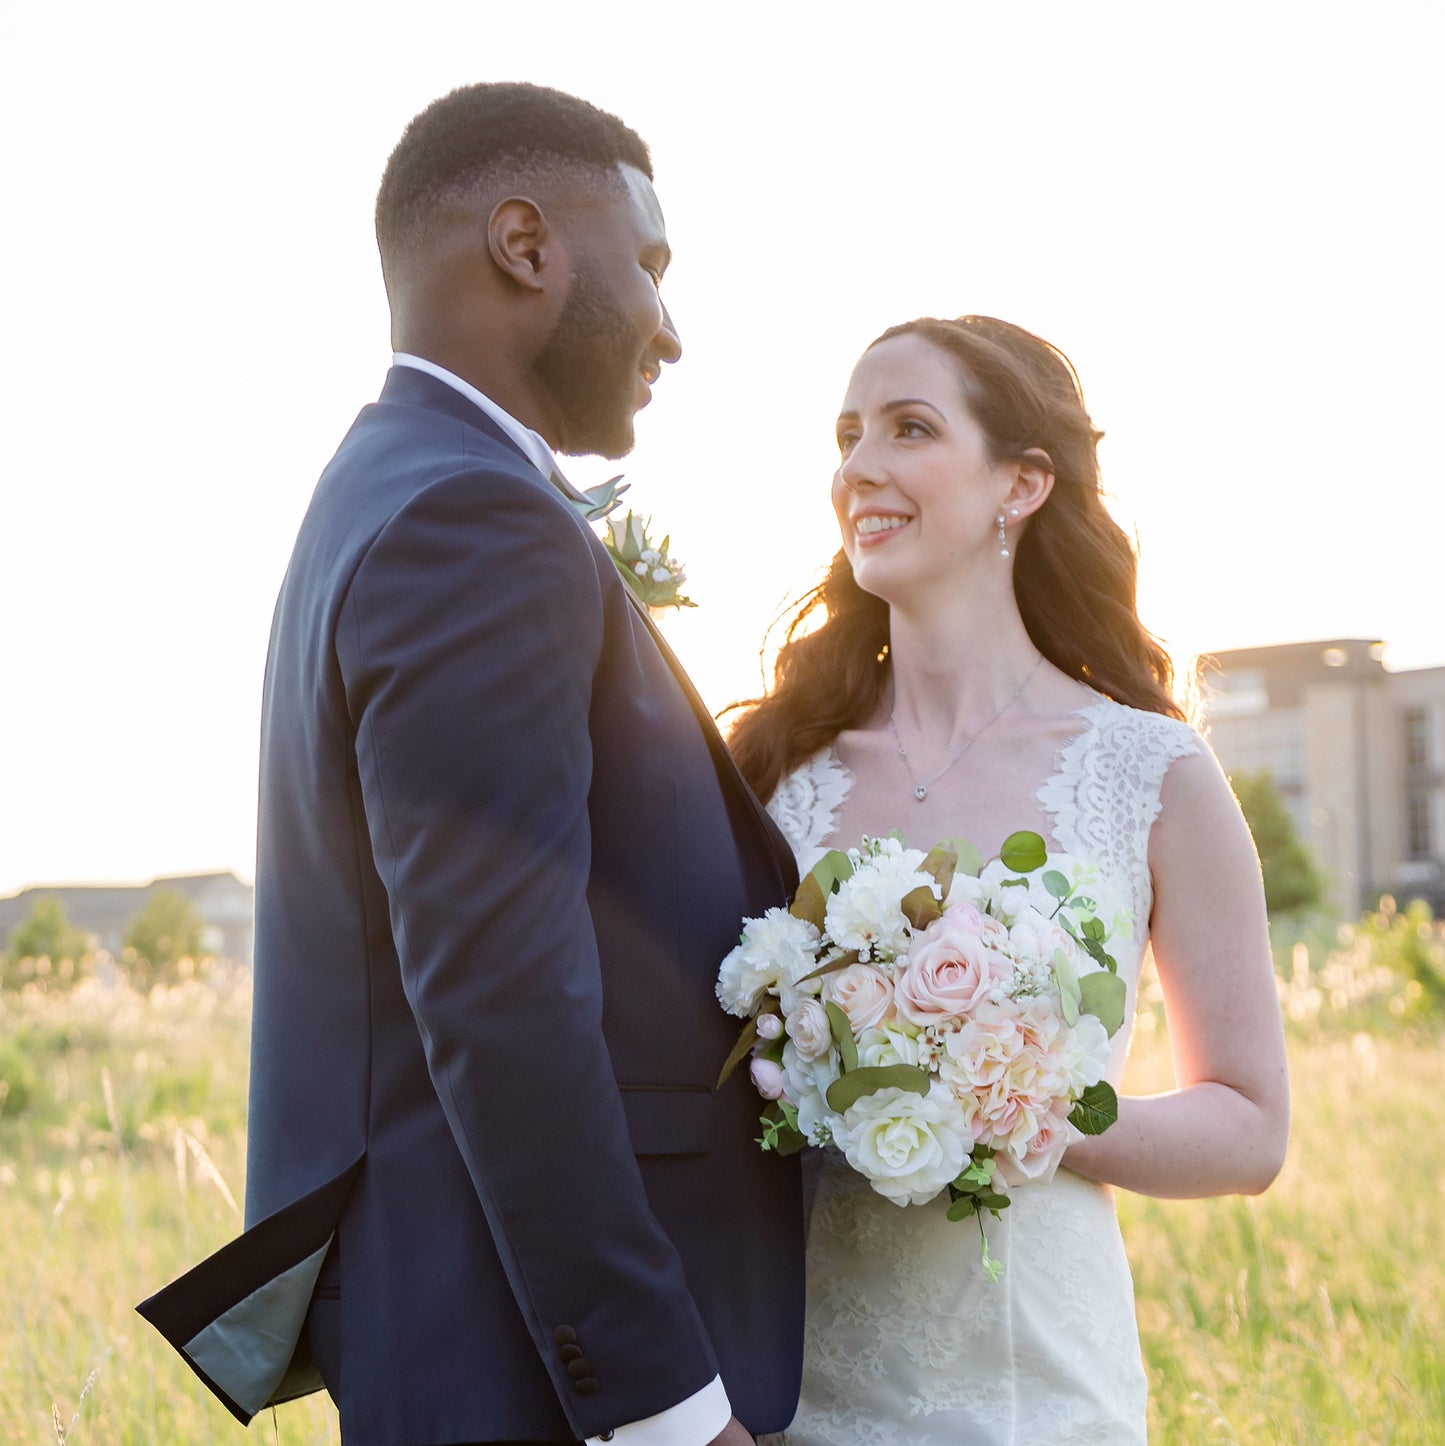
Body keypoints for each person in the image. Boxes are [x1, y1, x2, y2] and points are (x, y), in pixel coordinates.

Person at [137, 82, 804, 1446]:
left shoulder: (383, 483)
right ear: (524, 242)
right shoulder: (471, 520)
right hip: (529, 1375)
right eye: (653, 264)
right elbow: (502, 999)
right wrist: (666, 1407)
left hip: (458, 1333)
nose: (670, 327)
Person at [728, 315, 1291, 1444]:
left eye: (909, 429)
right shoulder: (767, 776)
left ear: (1020, 482)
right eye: (846, 436)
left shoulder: (1151, 775)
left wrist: (1016, 1107)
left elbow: (1247, 1128)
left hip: (1036, 1390)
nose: (857, 470)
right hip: (793, 1393)